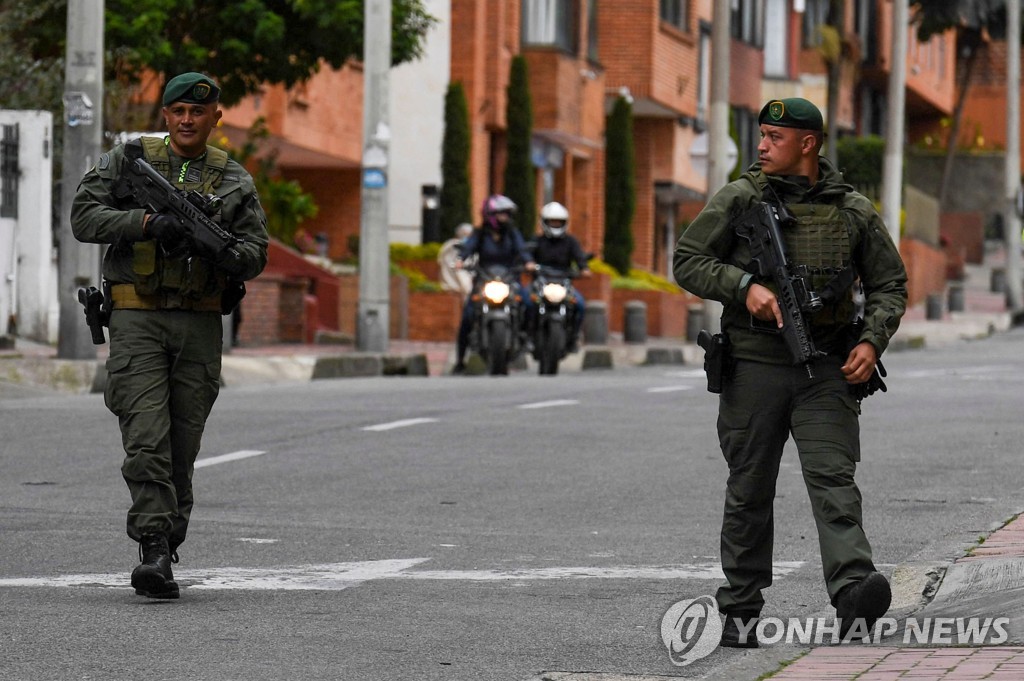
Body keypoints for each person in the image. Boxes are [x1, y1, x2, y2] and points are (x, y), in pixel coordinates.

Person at [673, 98, 908, 647]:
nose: (761, 146)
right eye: (761, 135)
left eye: (774, 137)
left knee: (833, 480)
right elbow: (687, 259)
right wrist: (742, 287)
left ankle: (853, 593)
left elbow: (889, 283)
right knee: (749, 487)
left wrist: (873, 340)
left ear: (808, 144)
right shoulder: (740, 198)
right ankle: (739, 610)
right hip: (754, 365)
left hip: (826, 366)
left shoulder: (852, 210)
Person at [71, 72, 270, 599]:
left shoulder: (233, 180)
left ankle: (168, 536)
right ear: (165, 114)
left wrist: (222, 252)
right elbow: (83, 216)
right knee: (146, 437)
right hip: (137, 317)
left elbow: (257, 252)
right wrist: (144, 224)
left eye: (198, 112)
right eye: (178, 110)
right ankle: (153, 546)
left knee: (182, 444)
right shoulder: (127, 161)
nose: (187, 120)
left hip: (200, 322)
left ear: (215, 118)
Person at [452, 195, 535, 373]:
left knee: (528, 303)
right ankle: (460, 359)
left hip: (510, 279)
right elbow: (468, 247)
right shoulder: (479, 234)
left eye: (507, 214)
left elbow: (522, 249)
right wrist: (461, 259)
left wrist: (528, 262)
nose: (505, 218)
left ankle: (527, 338)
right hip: (484, 279)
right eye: (501, 214)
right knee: (468, 314)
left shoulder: (513, 233)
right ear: (490, 215)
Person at [528, 201, 591, 351]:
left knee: (580, 305)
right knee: (526, 302)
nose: (555, 224)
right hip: (541, 282)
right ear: (544, 222)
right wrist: (528, 263)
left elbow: (580, 257)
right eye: (552, 221)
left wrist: (584, 268)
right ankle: (527, 336)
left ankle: (574, 337)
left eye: (558, 222)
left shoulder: (571, 241)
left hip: (563, 282)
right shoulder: (537, 241)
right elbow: (526, 255)